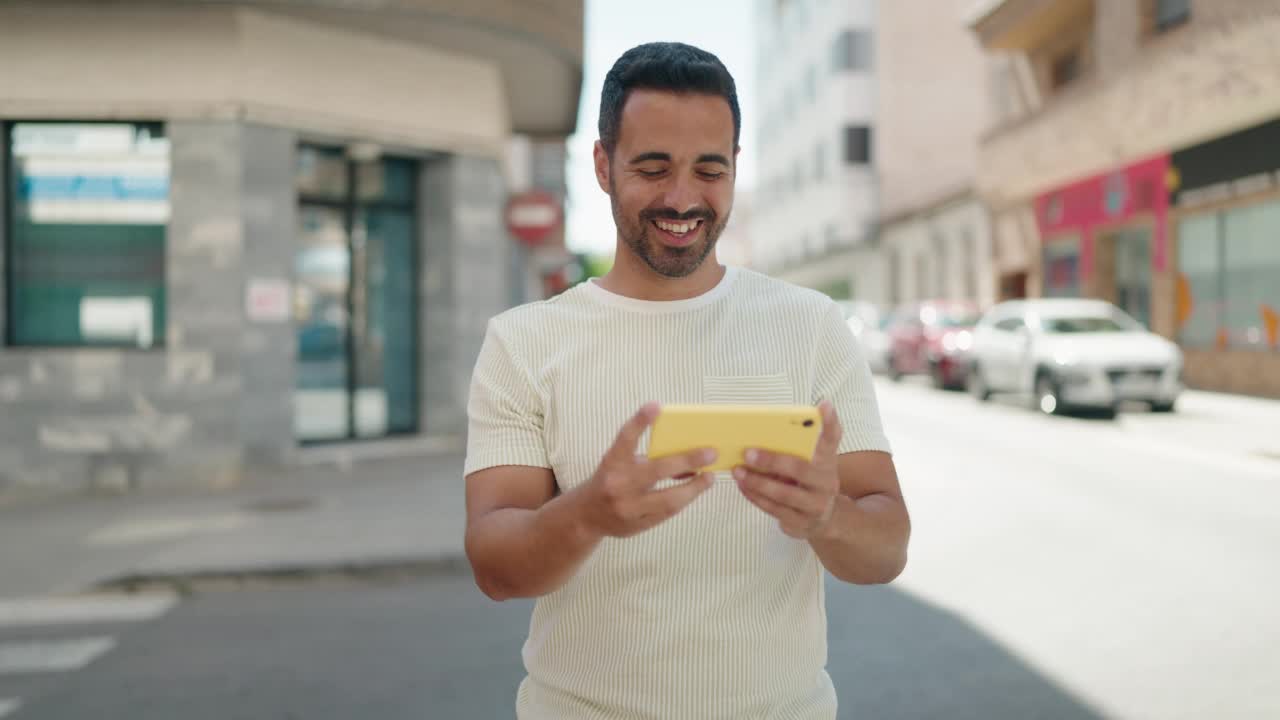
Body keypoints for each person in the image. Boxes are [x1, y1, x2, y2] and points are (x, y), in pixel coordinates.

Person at [463, 41, 911, 719]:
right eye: (652, 167)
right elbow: (496, 570)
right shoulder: (524, 341)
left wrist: (826, 516)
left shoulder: (811, 324)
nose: (682, 197)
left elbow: (886, 549)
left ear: (735, 168)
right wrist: (589, 513)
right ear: (603, 166)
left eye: (710, 169)